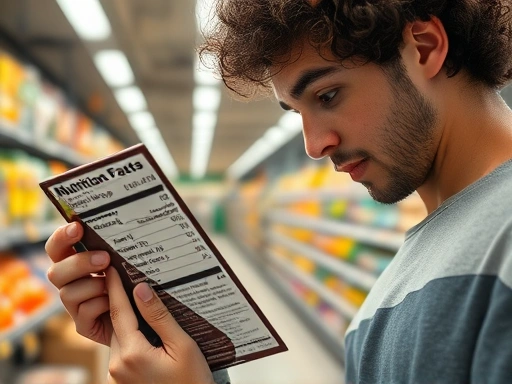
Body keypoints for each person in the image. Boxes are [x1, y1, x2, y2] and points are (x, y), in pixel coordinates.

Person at [45, 0, 512, 383]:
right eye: (297, 113)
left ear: (425, 47)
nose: (314, 145)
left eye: (328, 96)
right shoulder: (423, 258)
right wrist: (182, 353)